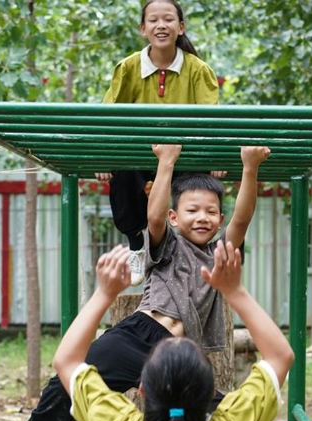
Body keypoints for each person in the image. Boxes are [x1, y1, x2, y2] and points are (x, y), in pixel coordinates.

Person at [0, 145, 312, 421]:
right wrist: (167, 160)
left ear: (219, 219)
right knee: (69, 379)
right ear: (175, 217)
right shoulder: (167, 245)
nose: (202, 217)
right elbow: (153, 216)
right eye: (192, 210)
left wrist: (250, 170)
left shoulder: (221, 254)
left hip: (178, 355)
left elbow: (243, 218)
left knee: (223, 420)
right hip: (138, 333)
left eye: (211, 211)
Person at [54, 241, 312, 421]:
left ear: (141, 389)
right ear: (210, 394)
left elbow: (66, 361)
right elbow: (281, 356)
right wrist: (234, 291)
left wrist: (104, 293)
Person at [97, 0, 223, 286]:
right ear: (143, 29)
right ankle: (136, 243)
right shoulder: (128, 68)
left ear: (180, 27)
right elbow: (107, 116)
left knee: (200, 189)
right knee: (123, 174)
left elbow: (212, 119)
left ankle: (193, 252)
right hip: (140, 153)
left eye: (168, 20)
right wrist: (104, 159)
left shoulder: (198, 69)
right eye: (153, 20)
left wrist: (215, 159)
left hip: (185, 155)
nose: (161, 25)